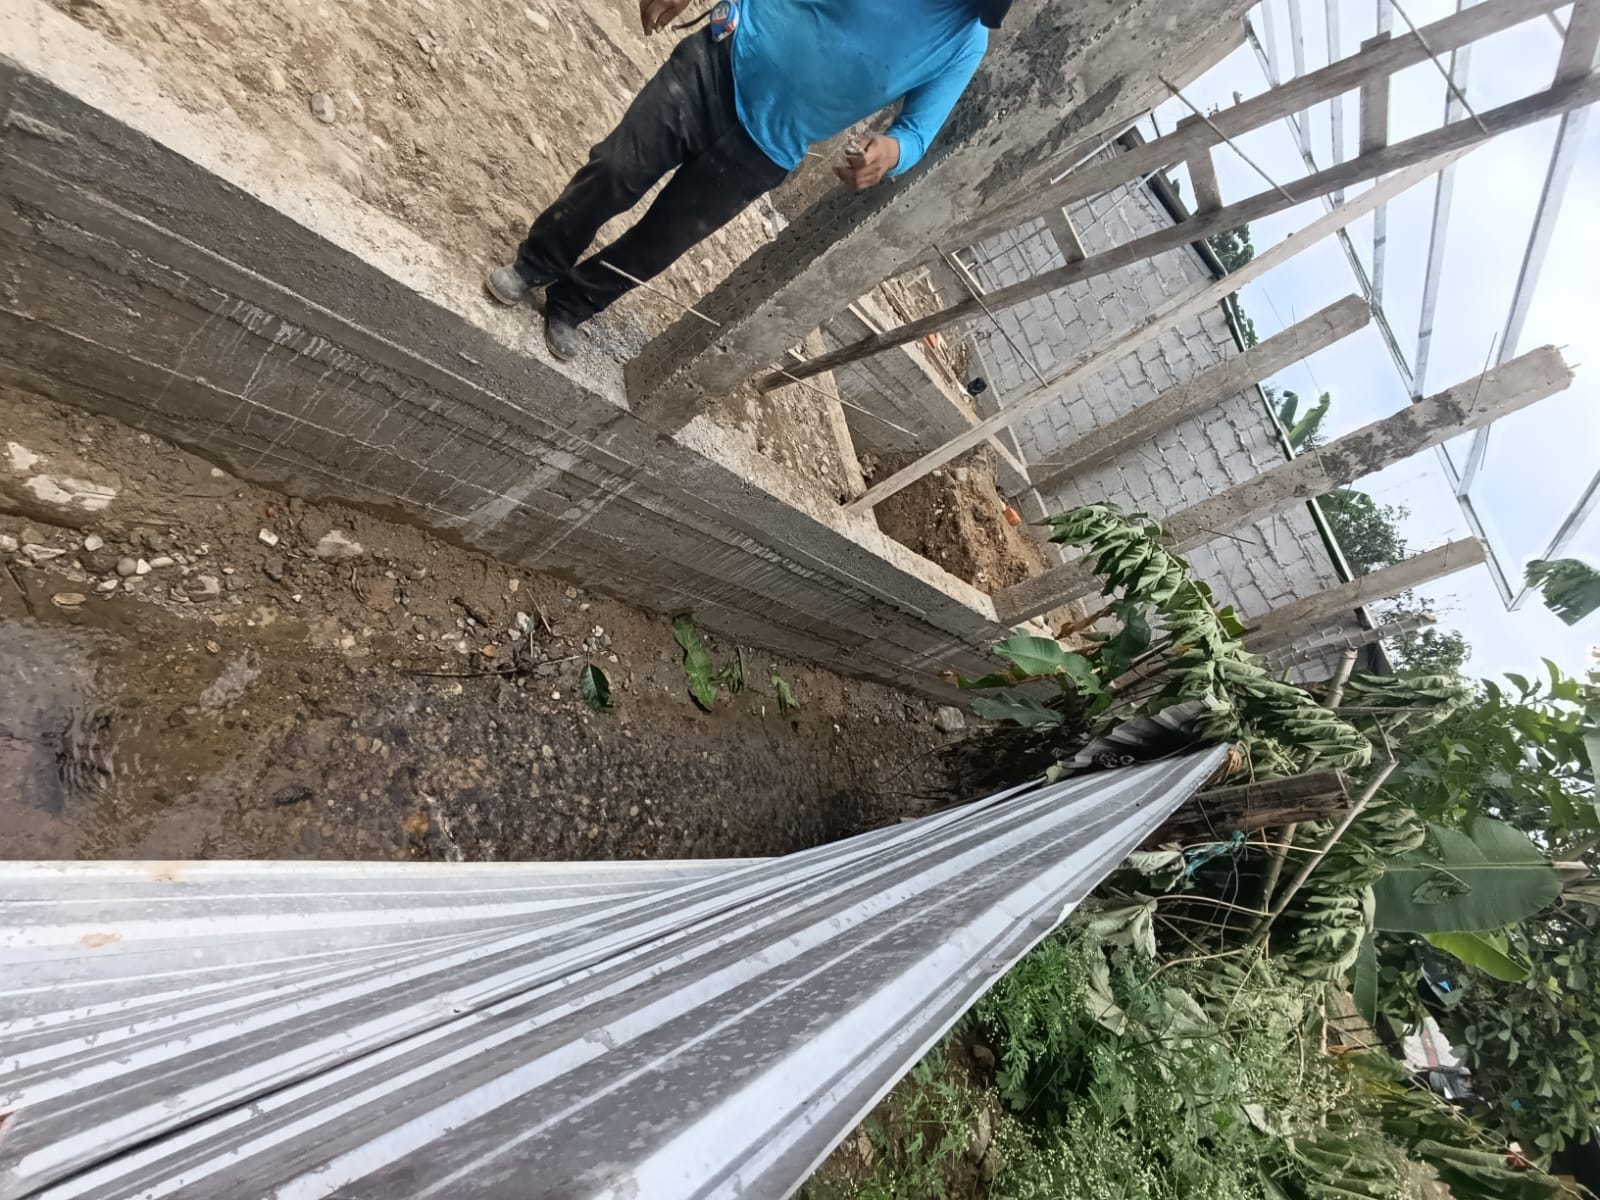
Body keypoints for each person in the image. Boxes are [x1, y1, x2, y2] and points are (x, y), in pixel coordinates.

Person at [486, 0, 1011, 360]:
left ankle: (573, 304)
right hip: (720, 59)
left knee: (659, 244)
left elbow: (917, 133)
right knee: (616, 168)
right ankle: (537, 262)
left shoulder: (965, 42)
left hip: (767, 149)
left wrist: (890, 153)